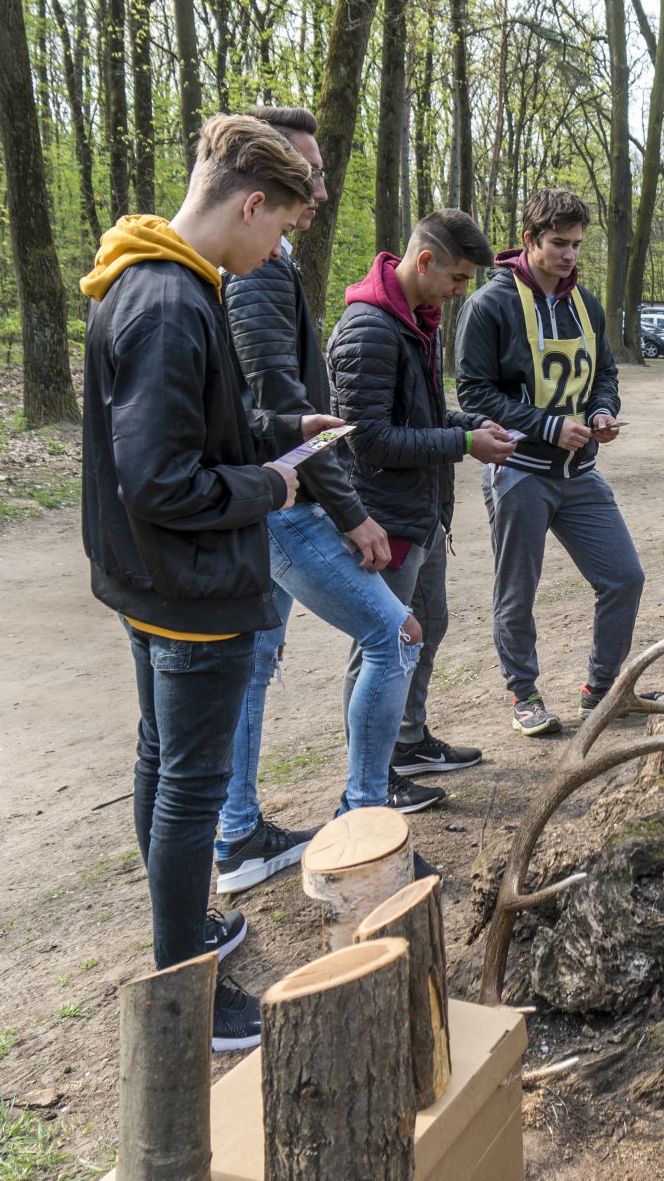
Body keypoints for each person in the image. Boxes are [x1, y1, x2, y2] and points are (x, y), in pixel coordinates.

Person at [80, 112, 331, 1052]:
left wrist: (280, 428)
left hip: (154, 582)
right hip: (188, 591)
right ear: (252, 202)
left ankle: (178, 941)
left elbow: (189, 431)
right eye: (278, 232)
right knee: (189, 788)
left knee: (162, 766)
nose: (276, 254)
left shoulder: (157, 279)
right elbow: (160, 480)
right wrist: (269, 483)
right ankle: (185, 991)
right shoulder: (171, 303)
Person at [216, 106, 427, 892]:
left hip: (273, 493)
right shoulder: (257, 268)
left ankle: (238, 834)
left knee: (255, 660)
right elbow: (288, 407)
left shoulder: (265, 261)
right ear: (261, 185)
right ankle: (365, 825)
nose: (321, 186)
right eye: (306, 172)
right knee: (395, 633)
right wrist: (351, 513)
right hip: (284, 499)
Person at [328, 210, 521, 788]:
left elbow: (421, 417)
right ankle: (373, 775)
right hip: (383, 520)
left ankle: (407, 743)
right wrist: (464, 442)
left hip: (421, 514)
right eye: (459, 279)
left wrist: (471, 424)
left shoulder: (417, 320)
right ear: (426, 260)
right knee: (382, 646)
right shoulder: (370, 328)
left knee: (425, 628)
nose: (461, 292)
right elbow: (368, 441)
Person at [455, 188, 645, 736]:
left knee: (624, 578)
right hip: (519, 471)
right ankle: (524, 695)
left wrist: (604, 410)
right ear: (528, 240)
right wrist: (546, 425)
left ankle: (602, 691)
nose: (569, 255)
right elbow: (473, 393)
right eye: (558, 244)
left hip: (579, 472)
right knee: (518, 590)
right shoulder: (490, 304)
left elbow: (604, 371)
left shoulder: (584, 301)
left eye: (577, 245)